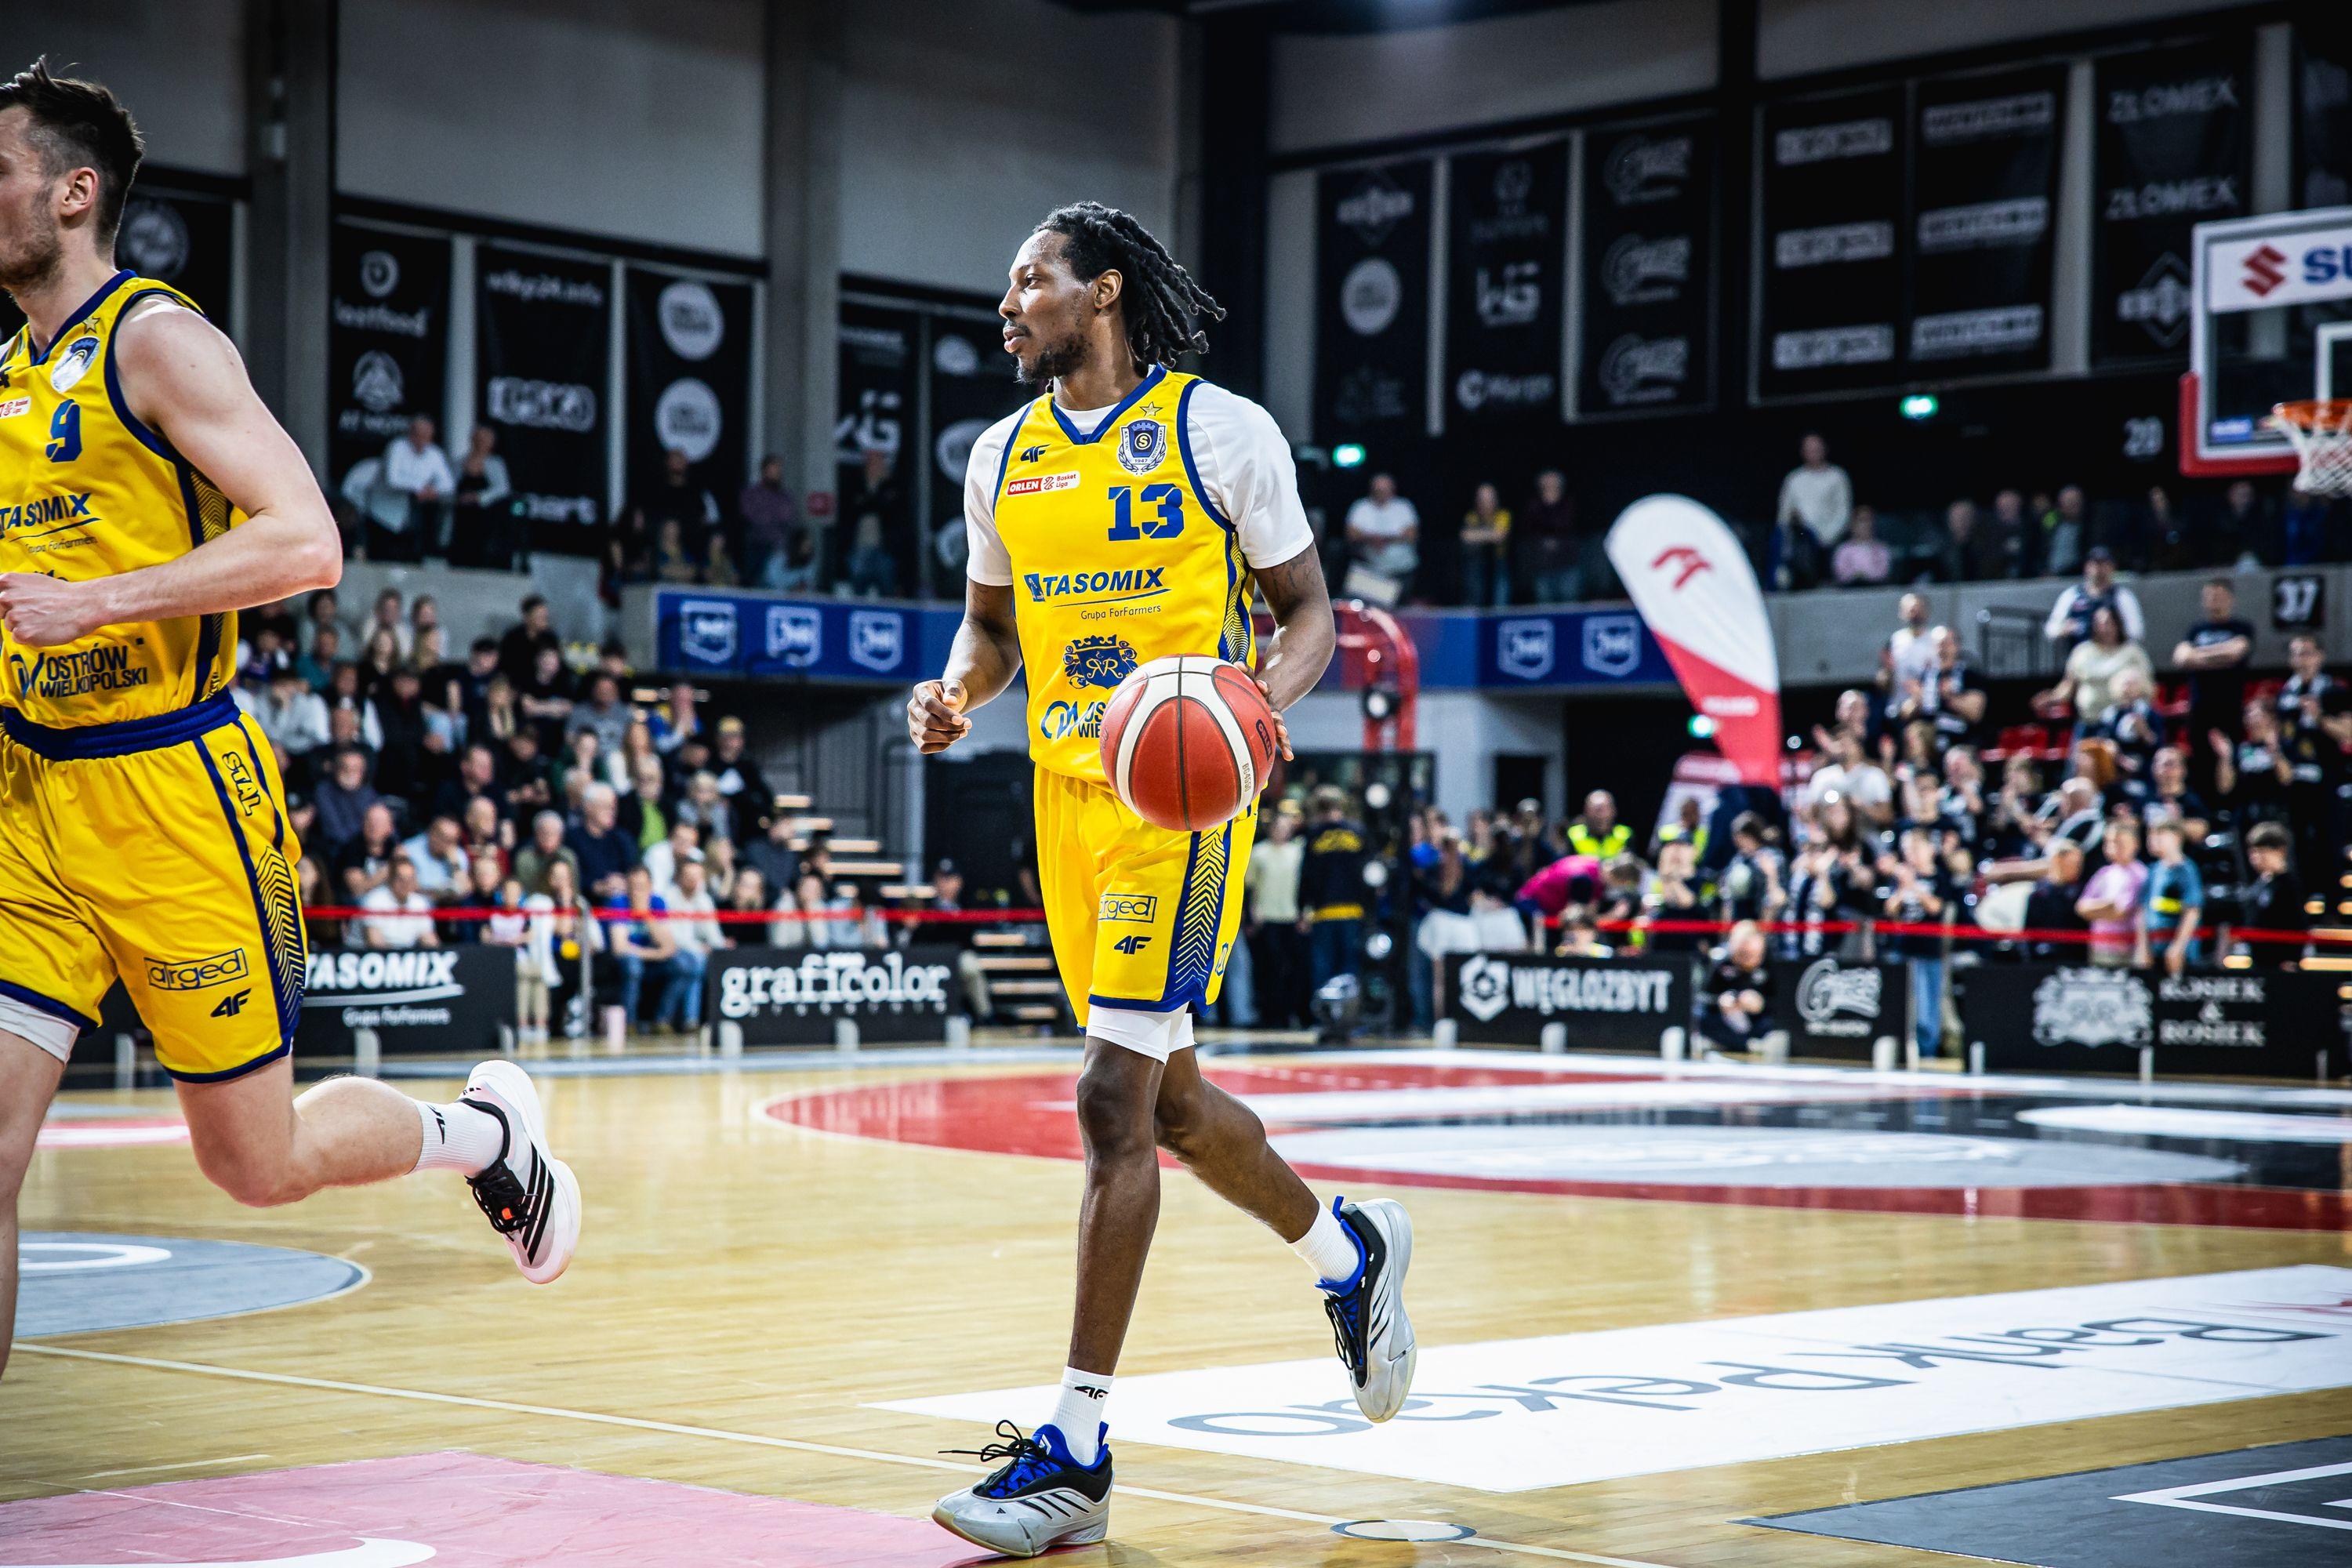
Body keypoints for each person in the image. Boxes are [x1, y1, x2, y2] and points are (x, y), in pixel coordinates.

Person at [0, 65, 581, 1376]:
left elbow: (309, 542)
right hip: (31, 803)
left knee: (255, 1165)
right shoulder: (10, 378)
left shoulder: (155, 341)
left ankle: (486, 1139)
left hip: (173, 796)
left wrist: (98, 604)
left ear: (73, 192)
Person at [906, 201, 1403, 1555]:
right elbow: (991, 629)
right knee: (1171, 1107)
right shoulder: (1001, 456)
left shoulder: (1218, 432)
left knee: (1108, 1102)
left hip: (1182, 803)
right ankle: (1348, 1254)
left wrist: (1257, 710)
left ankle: (1076, 1450)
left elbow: (1309, 613)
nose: (1008, 306)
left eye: (1031, 281)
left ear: (1104, 291)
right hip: (1064, 798)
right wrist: (954, 694)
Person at [1881, 829, 1952, 1058]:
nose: (1911, 855)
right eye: (1907, 851)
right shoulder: (1901, 878)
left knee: (1927, 1005)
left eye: (1915, 849)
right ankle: (1902, 1048)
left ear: (1930, 850)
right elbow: (1890, 910)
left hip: (1928, 950)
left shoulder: (1939, 877)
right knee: (1900, 1003)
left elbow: (1936, 907)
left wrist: (1914, 887)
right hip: (1902, 948)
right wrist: (1903, 887)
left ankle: (1927, 1050)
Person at [1299, 786, 1369, 989]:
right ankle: (1349, 1007)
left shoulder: (1314, 834)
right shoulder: (1358, 832)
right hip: (1352, 910)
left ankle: (1323, 1008)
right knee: (1349, 967)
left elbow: (1306, 876)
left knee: (1323, 968)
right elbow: (1370, 873)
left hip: (1323, 911)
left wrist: (1302, 908)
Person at [1243, 806, 1306, 1029]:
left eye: (1286, 827)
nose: (1282, 831)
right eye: (1278, 827)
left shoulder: (1298, 853)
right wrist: (1251, 915)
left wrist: (1305, 913)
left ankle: (1288, 1014)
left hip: (1291, 916)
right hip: (1267, 917)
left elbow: (1305, 885)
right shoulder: (1259, 852)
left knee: (1291, 969)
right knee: (1268, 969)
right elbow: (1249, 886)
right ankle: (1268, 1014)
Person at [2042, 607, 2152, 731]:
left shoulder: (2133, 652)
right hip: (2088, 722)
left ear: (2118, 624)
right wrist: (2052, 698)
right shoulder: (2082, 651)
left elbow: (2148, 687)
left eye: (2108, 623)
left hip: (2122, 725)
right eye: (2099, 624)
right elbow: (2069, 684)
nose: (2104, 628)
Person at [374, 416, 452, 562]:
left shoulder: (435, 453)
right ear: (411, 434)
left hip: (412, 517)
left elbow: (448, 484)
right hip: (385, 514)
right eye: (419, 435)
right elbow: (393, 479)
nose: (422, 440)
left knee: (412, 557)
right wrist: (420, 488)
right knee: (383, 558)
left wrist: (432, 490)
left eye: (427, 436)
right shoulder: (397, 447)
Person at [2231, 821, 2307, 969]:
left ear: (2280, 851)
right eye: (2253, 852)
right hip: (2258, 960)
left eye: (2262, 852)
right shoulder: (2260, 884)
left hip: (2281, 963)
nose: (2256, 858)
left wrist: (2292, 957)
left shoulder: (2289, 885)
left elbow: (2298, 923)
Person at [2075, 819, 2147, 969]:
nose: (2113, 847)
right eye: (2109, 842)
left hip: (2127, 950)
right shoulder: (2104, 873)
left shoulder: (2140, 874)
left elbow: (2120, 912)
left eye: (2119, 842)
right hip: (2099, 947)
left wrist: (2096, 909)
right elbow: (2081, 907)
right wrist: (2108, 905)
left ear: (2135, 844)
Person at [1695, 920, 1772, 1055]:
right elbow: (1702, 997)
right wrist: (1720, 1001)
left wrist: (1761, 1003)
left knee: (1769, 1025)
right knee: (1703, 1020)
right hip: (1724, 1018)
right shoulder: (1720, 961)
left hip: (1755, 1021)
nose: (1749, 959)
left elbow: (1779, 999)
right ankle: (1744, 1044)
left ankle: (1745, 1043)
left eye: (1755, 955)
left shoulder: (1768, 963)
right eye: (1744, 953)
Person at [2044, 546, 2144, 650]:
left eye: (2104, 564)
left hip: (2112, 654)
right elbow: (2050, 630)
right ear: (2087, 567)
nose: (2099, 570)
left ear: (2112, 567)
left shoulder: (2122, 596)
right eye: (2095, 564)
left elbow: (2136, 632)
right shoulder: (2072, 595)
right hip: (2079, 655)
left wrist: (2112, 629)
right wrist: (2064, 629)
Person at [2142, 819, 2204, 977]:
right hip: (2155, 948)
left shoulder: (2186, 870)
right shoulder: (2154, 870)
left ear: (2176, 837)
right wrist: (2144, 946)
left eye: (2160, 835)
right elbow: (2143, 910)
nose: (2153, 840)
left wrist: (2178, 947)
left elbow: (2192, 911)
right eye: (2151, 835)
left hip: (2179, 953)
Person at [1345, 472, 1419, 598]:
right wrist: (1372, 539)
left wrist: (1384, 540)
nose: (1381, 493)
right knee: (1368, 607)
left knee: (1400, 607)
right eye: (1378, 490)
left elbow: (1412, 535)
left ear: (1392, 490)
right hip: (1369, 571)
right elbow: (1351, 534)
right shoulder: (1361, 507)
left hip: (1401, 571)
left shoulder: (1403, 507)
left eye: (1385, 490)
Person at [448, 426, 514, 568]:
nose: (481, 444)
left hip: (485, 520)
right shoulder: (459, 463)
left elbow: (503, 489)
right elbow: (449, 486)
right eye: (478, 440)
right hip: (461, 519)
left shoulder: (496, 464)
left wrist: (478, 497)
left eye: (485, 441)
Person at [1776, 432, 1851, 550]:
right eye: (1809, 450)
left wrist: (1827, 539)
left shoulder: (1837, 476)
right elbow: (1784, 513)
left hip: (1830, 541)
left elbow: (1843, 512)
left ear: (1825, 449)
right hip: (1801, 542)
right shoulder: (1794, 478)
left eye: (1816, 449)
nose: (1813, 453)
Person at [737, 455, 800, 589]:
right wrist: (773, 518)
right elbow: (752, 517)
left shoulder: (785, 497)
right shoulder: (751, 494)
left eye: (779, 469)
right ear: (764, 470)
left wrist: (769, 517)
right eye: (773, 469)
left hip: (780, 550)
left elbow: (789, 519)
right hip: (757, 547)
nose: (777, 472)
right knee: (755, 583)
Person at [1517, 470, 1577, 604]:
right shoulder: (1533, 506)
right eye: (1547, 485)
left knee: (1569, 603)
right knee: (1544, 603)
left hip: (1567, 564)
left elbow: (1566, 525)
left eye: (1554, 484)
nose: (1550, 487)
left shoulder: (1569, 504)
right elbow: (1529, 530)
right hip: (1542, 566)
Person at [359, 855, 440, 950]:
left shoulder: (419, 903)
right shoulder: (374, 901)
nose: (406, 884)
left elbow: (430, 940)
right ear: (391, 879)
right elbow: (375, 943)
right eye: (401, 879)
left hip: (406, 954)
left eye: (411, 879)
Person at [1458, 482, 1510, 608]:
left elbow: (1499, 536)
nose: (1486, 503)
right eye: (1482, 499)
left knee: (1500, 598)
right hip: (1477, 564)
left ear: (1495, 500)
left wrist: (1478, 535)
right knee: (1474, 590)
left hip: (1498, 563)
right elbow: (1465, 536)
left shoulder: (1503, 515)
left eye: (1489, 499)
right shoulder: (1472, 516)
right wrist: (1489, 535)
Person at [1831, 504, 1889, 585]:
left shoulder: (1881, 549)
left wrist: (1867, 576)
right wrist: (1857, 576)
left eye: (1869, 520)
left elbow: (1883, 572)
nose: (1866, 525)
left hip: (1875, 589)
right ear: (1853, 524)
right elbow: (1841, 574)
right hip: (1850, 590)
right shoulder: (1843, 550)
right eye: (1862, 520)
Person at [1565, 789, 1630, 860]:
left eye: (1604, 810)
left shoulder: (1625, 834)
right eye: (1596, 810)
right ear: (1586, 811)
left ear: (1613, 811)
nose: (1600, 816)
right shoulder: (1573, 835)